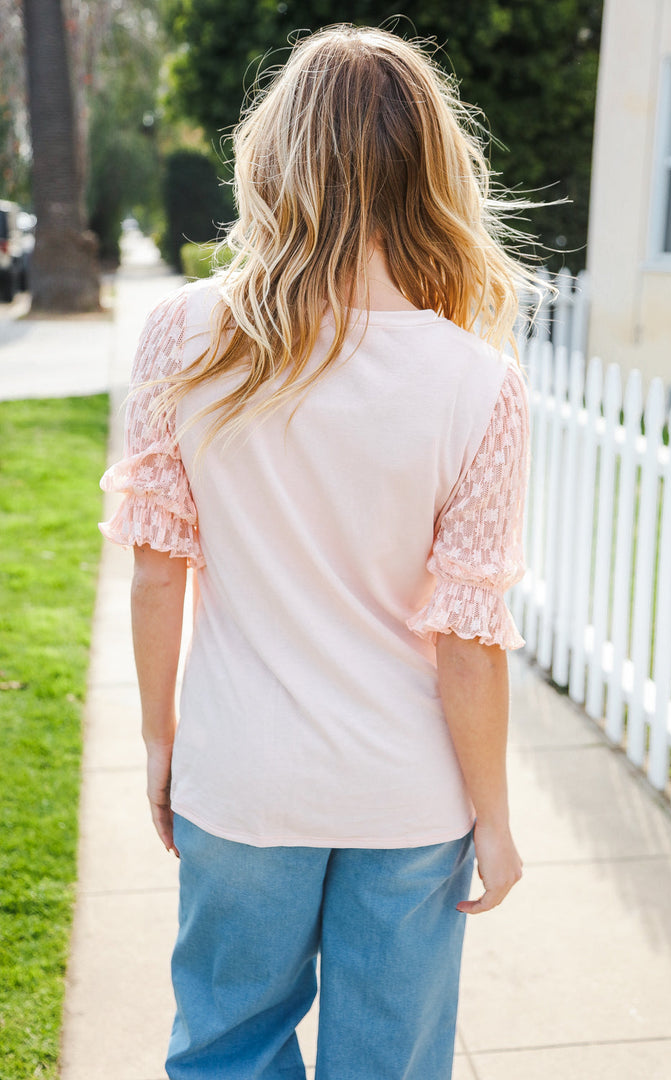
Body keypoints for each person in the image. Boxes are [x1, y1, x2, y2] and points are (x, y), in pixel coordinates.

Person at [99, 23, 545, 1080]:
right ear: (431, 171)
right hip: (407, 795)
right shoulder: (479, 384)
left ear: (274, 155)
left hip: (243, 775)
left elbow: (158, 571)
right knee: (388, 1064)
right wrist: (493, 818)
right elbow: (468, 640)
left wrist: (160, 740)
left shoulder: (184, 336)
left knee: (227, 1049)